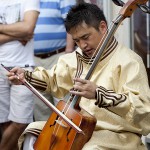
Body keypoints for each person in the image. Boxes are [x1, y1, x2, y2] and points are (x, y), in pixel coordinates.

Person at [8, 2, 150, 150]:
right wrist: (27, 77)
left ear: (103, 27)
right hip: (77, 127)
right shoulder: (75, 58)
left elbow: (142, 108)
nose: (82, 45)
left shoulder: (129, 61)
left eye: (86, 37)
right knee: (32, 132)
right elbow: (53, 79)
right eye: (76, 40)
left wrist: (98, 93)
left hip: (117, 134)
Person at [0, 0, 39, 149]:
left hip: (24, 67)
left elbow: (28, 28)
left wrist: (2, 29)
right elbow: (24, 30)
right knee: (4, 122)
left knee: (21, 121)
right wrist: (18, 33)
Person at [33, 0, 76, 121]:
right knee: (40, 103)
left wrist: (69, 52)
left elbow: (71, 23)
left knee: (62, 100)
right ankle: (44, 138)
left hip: (59, 55)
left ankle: (65, 137)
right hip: (35, 58)